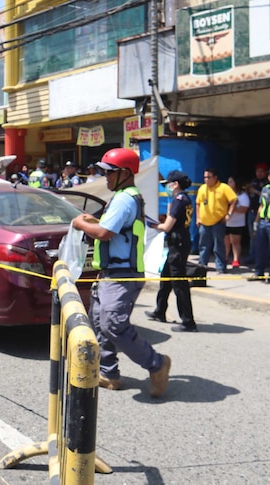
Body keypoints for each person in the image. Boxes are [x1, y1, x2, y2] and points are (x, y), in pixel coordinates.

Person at [71, 148, 171, 398]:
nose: (104, 177)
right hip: (111, 273)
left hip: (122, 275)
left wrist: (79, 223)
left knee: (112, 325)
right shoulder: (123, 196)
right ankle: (108, 373)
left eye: (108, 172)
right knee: (99, 324)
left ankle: (157, 363)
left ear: (124, 174)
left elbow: (105, 233)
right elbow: (109, 228)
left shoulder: (125, 198)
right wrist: (93, 222)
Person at [145, 170, 197, 332]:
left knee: (179, 283)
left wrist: (154, 225)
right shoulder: (181, 198)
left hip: (178, 243)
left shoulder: (179, 200)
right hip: (179, 242)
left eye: (168, 184)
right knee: (166, 277)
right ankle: (160, 311)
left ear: (175, 184)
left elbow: (167, 226)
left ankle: (188, 321)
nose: (166, 187)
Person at [196, 167, 237, 273]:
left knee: (218, 246)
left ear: (215, 178)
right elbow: (198, 203)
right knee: (203, 246)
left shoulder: (224, 188)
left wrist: (229, 214)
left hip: (218, 222)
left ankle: (220, 267)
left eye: (209, 177)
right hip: (204, 222)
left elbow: (234, 200)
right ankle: (202, 266)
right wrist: (198, 218)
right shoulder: (202, 188)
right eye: (205, 177)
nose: (206, 179)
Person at [245, 162, 269, 264]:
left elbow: (266, 197)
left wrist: (255, 191)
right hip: (251, 211)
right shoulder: (253, 181)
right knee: (252, 236)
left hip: (262, 214)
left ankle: (263, 258)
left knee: (262, 237)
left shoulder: (268, 183)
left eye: (261, 171)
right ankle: (252, 256)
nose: (259, 173)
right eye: (257, 171)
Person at [224, 176, 249, 269]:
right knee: (225, 241)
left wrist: (232, 208)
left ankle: (236, 259)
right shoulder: (225, 194)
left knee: (235, 242)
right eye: (228, 182)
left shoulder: (243, 196)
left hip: (237, 222)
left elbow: (244, 209)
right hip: (226, 222)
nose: (228, 184)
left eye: (231, 182)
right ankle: (225, 258)